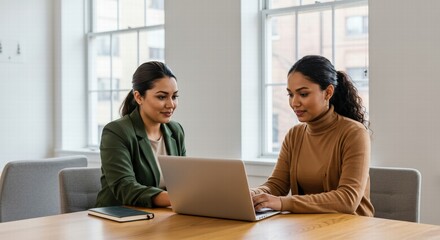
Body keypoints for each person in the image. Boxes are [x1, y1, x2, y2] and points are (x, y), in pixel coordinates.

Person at [251, 55, 374, 216]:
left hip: (352, 229)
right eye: (290, 94)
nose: (294, 102)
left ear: (328, 92)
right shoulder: (294, 135)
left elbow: (347, 200)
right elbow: (276, 185)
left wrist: (283, 202)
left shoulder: (354, 133)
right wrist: (253, 195)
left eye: (303, 94)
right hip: (309, 227)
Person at [95, 61, 185, 208]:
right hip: (120, 218)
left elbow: (182, 181)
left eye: (174, 96)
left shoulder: (175, 131)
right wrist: (177, 198)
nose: (171, 105)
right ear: (138, 97)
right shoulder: (116, 132)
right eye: (162, 97)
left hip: (160, 216)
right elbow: (125, 188)